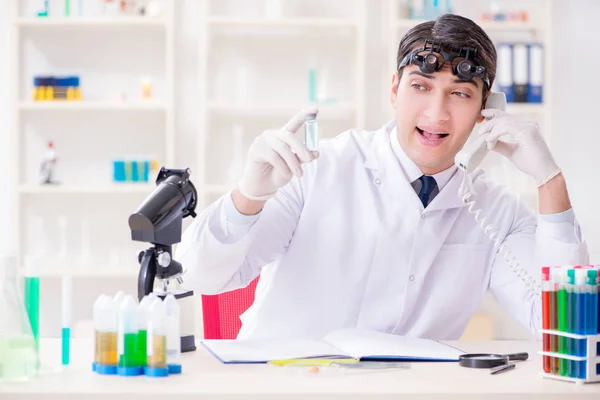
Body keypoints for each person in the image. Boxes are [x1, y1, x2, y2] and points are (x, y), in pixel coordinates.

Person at [176, 14, 589, 340]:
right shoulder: (316, 167)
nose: (437, 114)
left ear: (488, 107)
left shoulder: (495, 211)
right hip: (282, 385)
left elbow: (565, 327)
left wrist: (550, 182)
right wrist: (247, 198)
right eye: (421, 87)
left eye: (460, 93)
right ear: (394, 90)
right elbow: (202, 278)